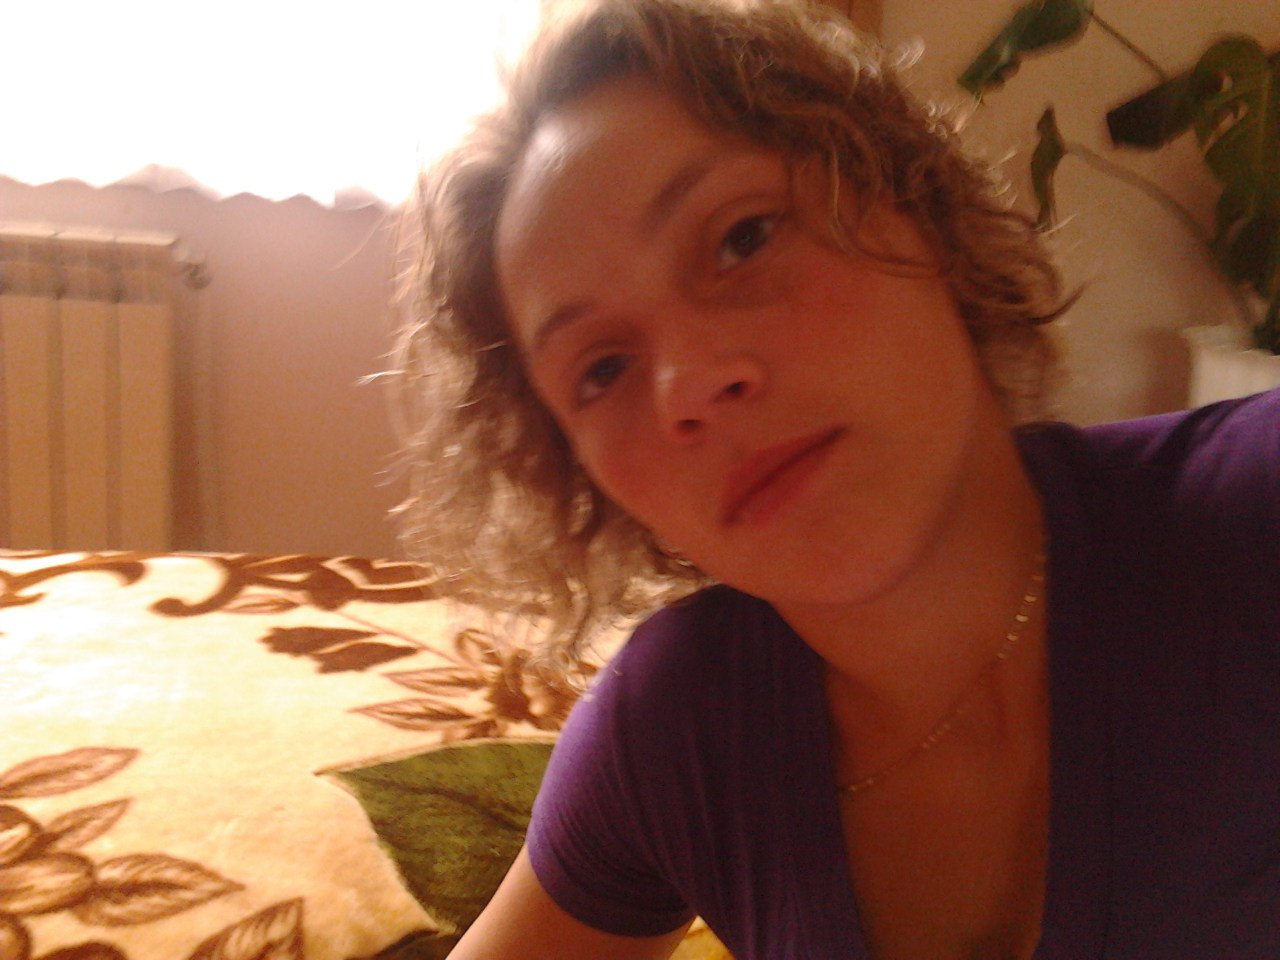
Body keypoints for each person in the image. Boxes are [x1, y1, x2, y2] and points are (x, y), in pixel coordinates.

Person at [391, 0, 1280, 957]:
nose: (689, 385)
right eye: (602, 370)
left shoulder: (1251, 521)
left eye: (742, 237)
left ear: (920, 208)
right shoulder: (678, 734)